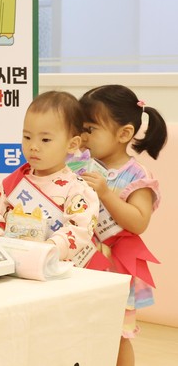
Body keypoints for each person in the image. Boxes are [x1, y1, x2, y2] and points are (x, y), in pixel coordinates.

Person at [78, 85, 167, 366]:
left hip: (117, 266)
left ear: (124, 134)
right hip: (82, 259)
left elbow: (139, 222)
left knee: (117, 332)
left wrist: (106, 193)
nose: (83, 137)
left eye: (90, 129)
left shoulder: (137, 176)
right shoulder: (82, 165)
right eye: (80, 128)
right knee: (79, 326)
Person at [0, 91, 100, 267]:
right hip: (11, 266)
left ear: (72, 144)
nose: (33, 146)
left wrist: (48, 248)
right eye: (27, 137)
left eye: (45, 139)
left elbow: (79, 230)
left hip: (55, 271)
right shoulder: (12, 183)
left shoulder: (78, 190)